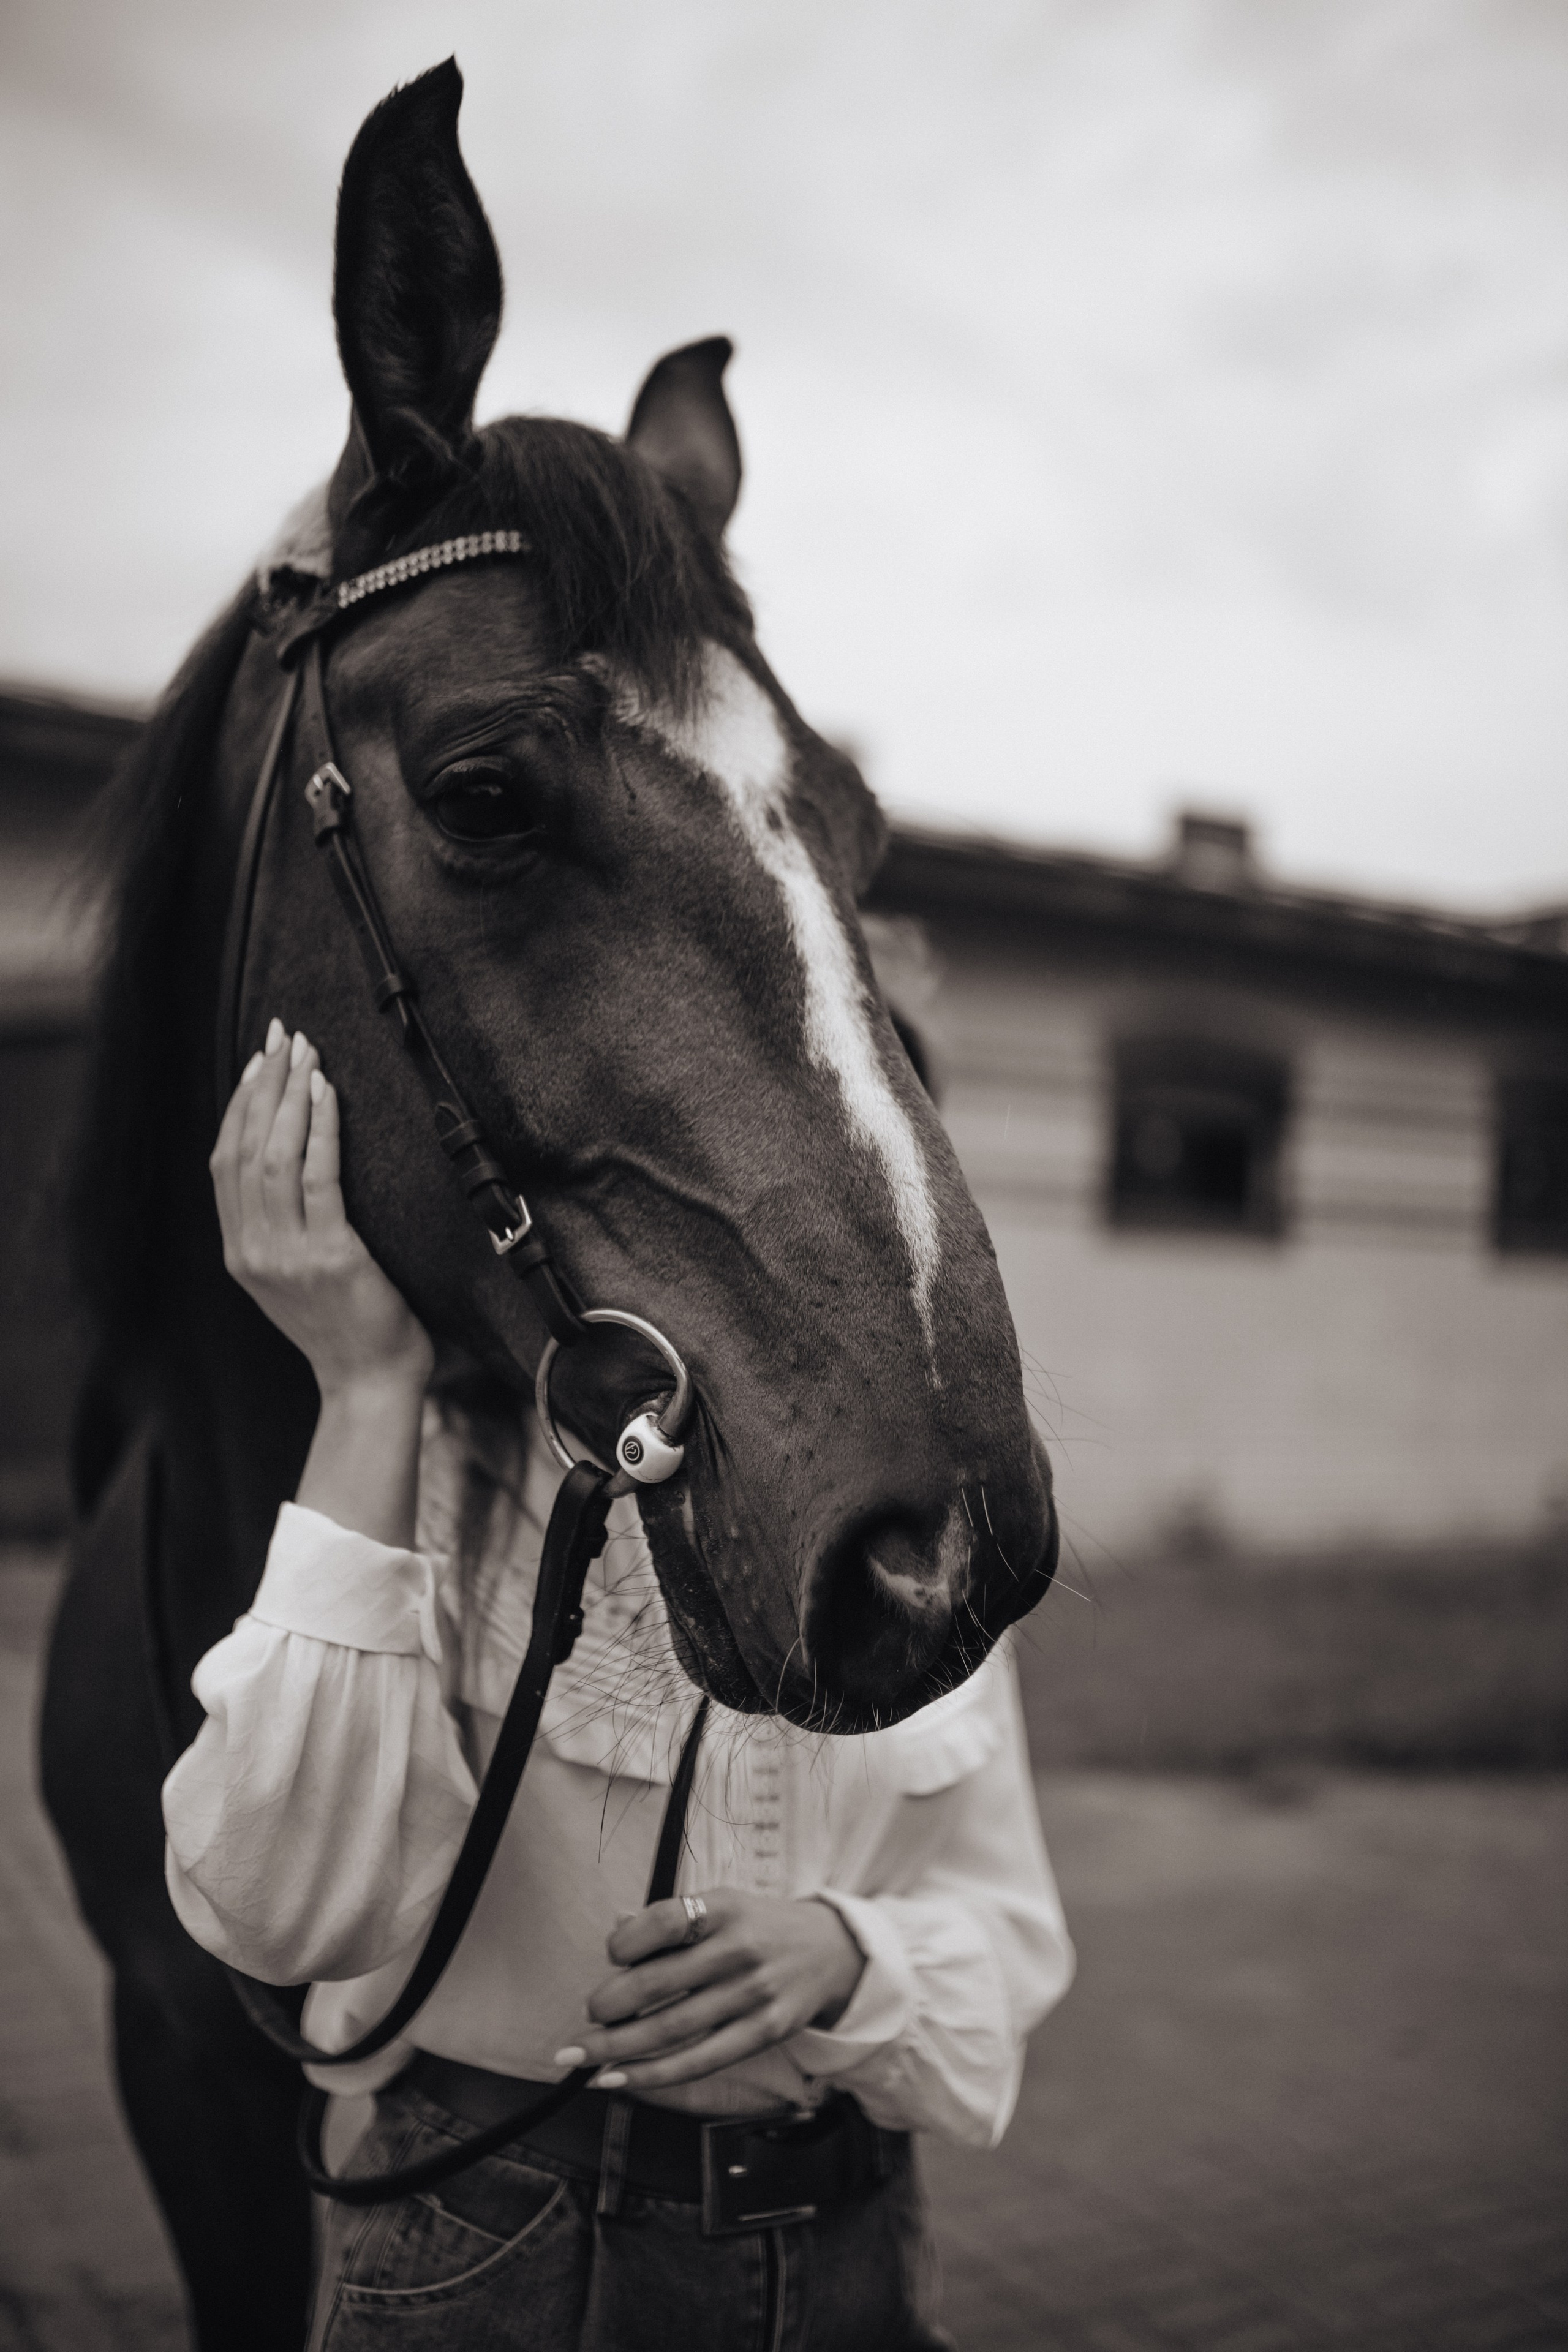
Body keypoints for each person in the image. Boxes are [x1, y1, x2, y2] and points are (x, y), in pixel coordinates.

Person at [161, 1017, 1074, 2351]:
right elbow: (282, 1911)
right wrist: (363, 1389)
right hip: (497, 2254)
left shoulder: (912, 1530)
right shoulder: (438, 1472)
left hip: (847, 2261)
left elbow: (1011, 1932)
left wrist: (847, 1955)